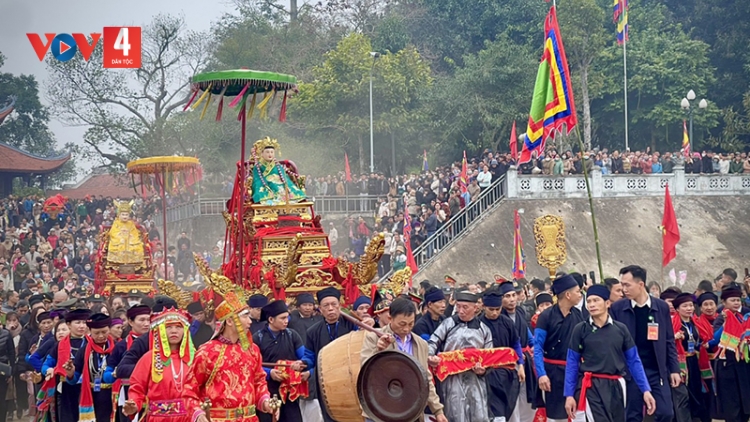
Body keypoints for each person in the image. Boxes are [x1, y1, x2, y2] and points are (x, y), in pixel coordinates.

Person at [563, 285, 656, 422]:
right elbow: (572, 363)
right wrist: (569, 395)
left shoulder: (620, 329)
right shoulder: (580, 329)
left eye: (596, 300)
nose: (592, 305)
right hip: (592, 386)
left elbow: (633, 360)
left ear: (607, 303)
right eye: (589, 301)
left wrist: (645, 390)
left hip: (617, 385)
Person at [183, 290, 277, 422]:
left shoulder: (252, 350)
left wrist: (266, 401)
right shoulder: (207, 352)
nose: (250, 321)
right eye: (244, 316)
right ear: (230, 321)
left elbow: (258, 381)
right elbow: (189, 390)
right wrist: (198, 414)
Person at [610, 265, 680, 422]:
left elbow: (669, 339)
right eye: (622, 285)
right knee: (633, 415)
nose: (623, 289)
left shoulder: (660, 307)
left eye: (627, 285)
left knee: (666, 412)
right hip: (631, 371)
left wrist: (674, 369)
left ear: (641, 284)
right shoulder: (618, 308)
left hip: (656, 369)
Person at [360, 297, 447, 422]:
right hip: (381, 409)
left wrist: (438, 410)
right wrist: (378, 351)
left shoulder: (420, 344)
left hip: (409, 410)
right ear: (390, 318)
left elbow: (425, 379)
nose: (406, 329)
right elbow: (364, 370)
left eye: (411, 324)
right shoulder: (374, 338)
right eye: (402, 324)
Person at [304, 287, 371, 422]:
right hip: (327, 384)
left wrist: (368, 327)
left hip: (351, 379)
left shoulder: (353, 325)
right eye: (326, 305)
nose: (330, 308)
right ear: (320, 309)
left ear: (339, 306)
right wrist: (303, 364)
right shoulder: (313, 332)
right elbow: (309, 357)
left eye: (334, 304)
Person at [428, 290, 493, 422]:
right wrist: (430, 356)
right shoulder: (448, 323)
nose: (461, 311)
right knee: (454, 414)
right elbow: (433, 342)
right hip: (452, 378)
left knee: (478, 414)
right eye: (458, 306)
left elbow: (489, 356)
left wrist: (484, 370)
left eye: (465, 307)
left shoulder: (483, 329)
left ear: (476, 308)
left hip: (475, 379)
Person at [123, 307, 195, 422]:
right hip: (158, 418)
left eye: (178, 327)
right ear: (160, 330)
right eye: (169, 327)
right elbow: (137, 388)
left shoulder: (195, 359)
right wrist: (134, 404)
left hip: (189, 418)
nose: (174, 331)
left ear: (186, 331)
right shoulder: (148, 358)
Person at [533, 274, 587, 422]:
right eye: (577, 291)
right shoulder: (546, 316)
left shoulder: (578, 315)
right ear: (568, 295)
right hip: (552, 373)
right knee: (555, 417)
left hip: (574, 372)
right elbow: (537, 347)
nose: (580, 294)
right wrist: (541, 374)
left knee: (577, 414)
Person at [253, 300, 309, 422]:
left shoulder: (292, 335)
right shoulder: (258, 338)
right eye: (282, 318)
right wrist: (269, 372)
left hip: (289, 391)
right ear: (271, 320)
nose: (286, 321)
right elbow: (252, 365)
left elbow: (304, 356)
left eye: (287, 317)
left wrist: (301, 363)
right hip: (267, 392)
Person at [482, 285, 525, 422]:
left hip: (508, 373)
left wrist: (521, 365)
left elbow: (515, 343)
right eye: (491, 310)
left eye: (497, 309)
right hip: (486, 374)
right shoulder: (478, 324)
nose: (495, 313)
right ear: (483, 307)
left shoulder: (507, 322)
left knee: (512, 409)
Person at [42, 308, 92, 422]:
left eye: (84, 322)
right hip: (66, 390)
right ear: (69, 325)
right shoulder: (60, 345)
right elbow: (46, 365)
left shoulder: (91, 343)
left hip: (87, 387)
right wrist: (49, 370)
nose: (82, 326)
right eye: (78, 322)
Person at [104, 304, 151, 422]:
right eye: (142, 320)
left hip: (152, 393)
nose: (146, 323)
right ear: (130, 322)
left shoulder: (157, 343)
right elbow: (107, 374)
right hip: (127, 394)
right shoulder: (121, 345)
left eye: (148, 320)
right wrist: (115, 374)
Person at [710, 286, 750, 422]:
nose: (736, 303)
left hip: (743, 365)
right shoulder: (721, 318)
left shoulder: (744, 317)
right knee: (731, 404)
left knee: (745, 402)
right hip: (727, 366)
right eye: (732, 300)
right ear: (724, 302)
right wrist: (726, 324)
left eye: (738, 300)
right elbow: (714, 340)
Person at [66, 313, 115, 422]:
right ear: (89, 332)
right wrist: (70, 374)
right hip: (92, 396)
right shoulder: (84, 350)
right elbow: (74, 380)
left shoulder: (117, 348)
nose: (101, 336)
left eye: (104, 332)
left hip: (113, 396)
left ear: (109, 330)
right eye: (96, 333)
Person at [671, 293, 713, 422]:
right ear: (677, 309)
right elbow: (666, 342)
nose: (689, 308)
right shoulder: (673, 323)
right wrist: (674, 337)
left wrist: (702, 344)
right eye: (685, 306)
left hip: (695, 361)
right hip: (681, 363)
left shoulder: (696, 323)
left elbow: (699, 340)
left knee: (697, 391)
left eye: (690, 305)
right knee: (684, 394)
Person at [249, 137, 306, 205]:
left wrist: (287, 185)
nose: (270, 154)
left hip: (280, 183)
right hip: (266, 184)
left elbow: (285, 178)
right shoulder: (258, 166)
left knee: (292, 190)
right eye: (267, 152)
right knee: (265, 192)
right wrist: (266, 186)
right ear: (262, 154)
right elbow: (257, 179)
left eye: (272, 152)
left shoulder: (277, 165)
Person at [106, 200, 146, 265]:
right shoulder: (116, 223)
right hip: (119, 240)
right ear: (119, 215)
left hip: (130, 240)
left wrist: (131, 237)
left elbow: (135, 233)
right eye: (123, 214)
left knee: (137, 247)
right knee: (119, 246)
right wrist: (120, 236)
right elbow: (113, 233)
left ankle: (134, 262)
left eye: (126, 215)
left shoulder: (131, 223)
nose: (125, 216)